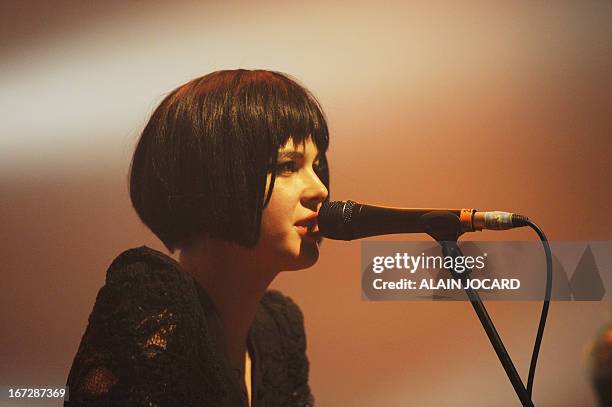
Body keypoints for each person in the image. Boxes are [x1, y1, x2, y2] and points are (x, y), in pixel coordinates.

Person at [64, 70, 330, 407]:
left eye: (317, 165)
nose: (319, 188)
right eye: (287, 166)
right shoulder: (152, 302)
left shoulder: (278, 328)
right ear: (215, 178)